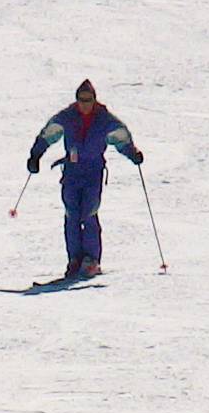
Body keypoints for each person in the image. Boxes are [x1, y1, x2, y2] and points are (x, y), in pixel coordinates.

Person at [26, 79, 143, 278]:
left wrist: (132, 153)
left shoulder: (105, 120)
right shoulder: (68, 117)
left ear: (94, 100)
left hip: (92, 172)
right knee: (71, 214)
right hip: (71, 172)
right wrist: (36, 155)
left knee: (89, 211)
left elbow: (120, 138)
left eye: (88, 100)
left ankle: (91, 260)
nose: (85, 104)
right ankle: (74, 259)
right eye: (81, 100)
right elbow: (49, 134)